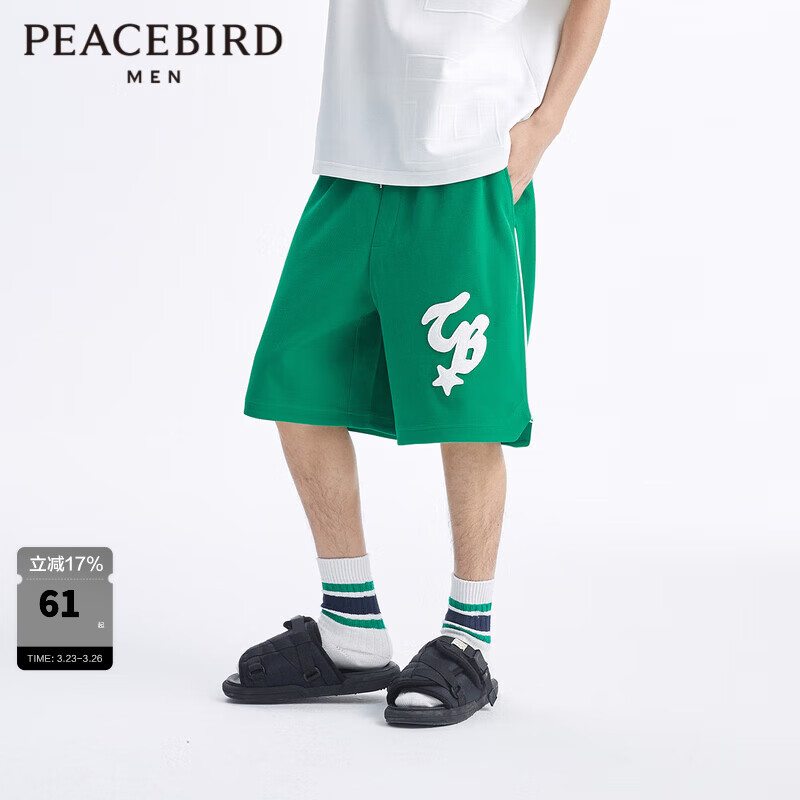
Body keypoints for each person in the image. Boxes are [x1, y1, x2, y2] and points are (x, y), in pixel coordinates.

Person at [222, 0, 609, 726]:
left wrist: (546, 125)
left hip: (470, 157)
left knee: (468, 411)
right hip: (354, 155)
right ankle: (350, 630)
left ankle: (468, 638)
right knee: (295, 384)